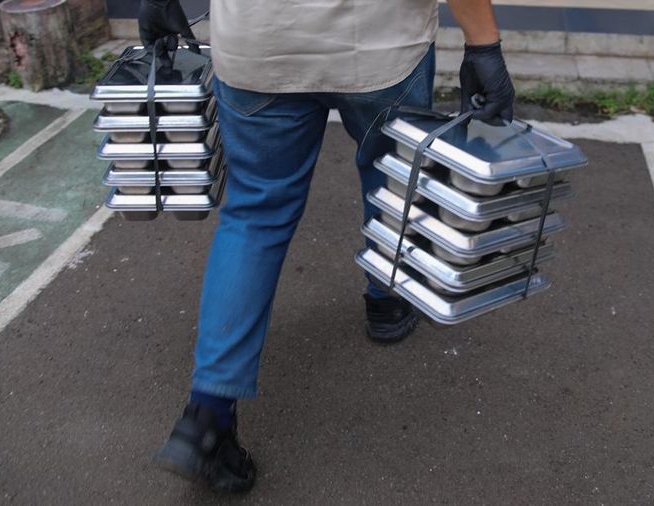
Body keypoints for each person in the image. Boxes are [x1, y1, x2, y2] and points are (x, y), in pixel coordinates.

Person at [138, 0, 515, 493]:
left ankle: (206, 418)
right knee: (392, 180)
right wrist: (483, 44)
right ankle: (386, 302)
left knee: (256, 213)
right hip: (382, 43)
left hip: (259, 45)